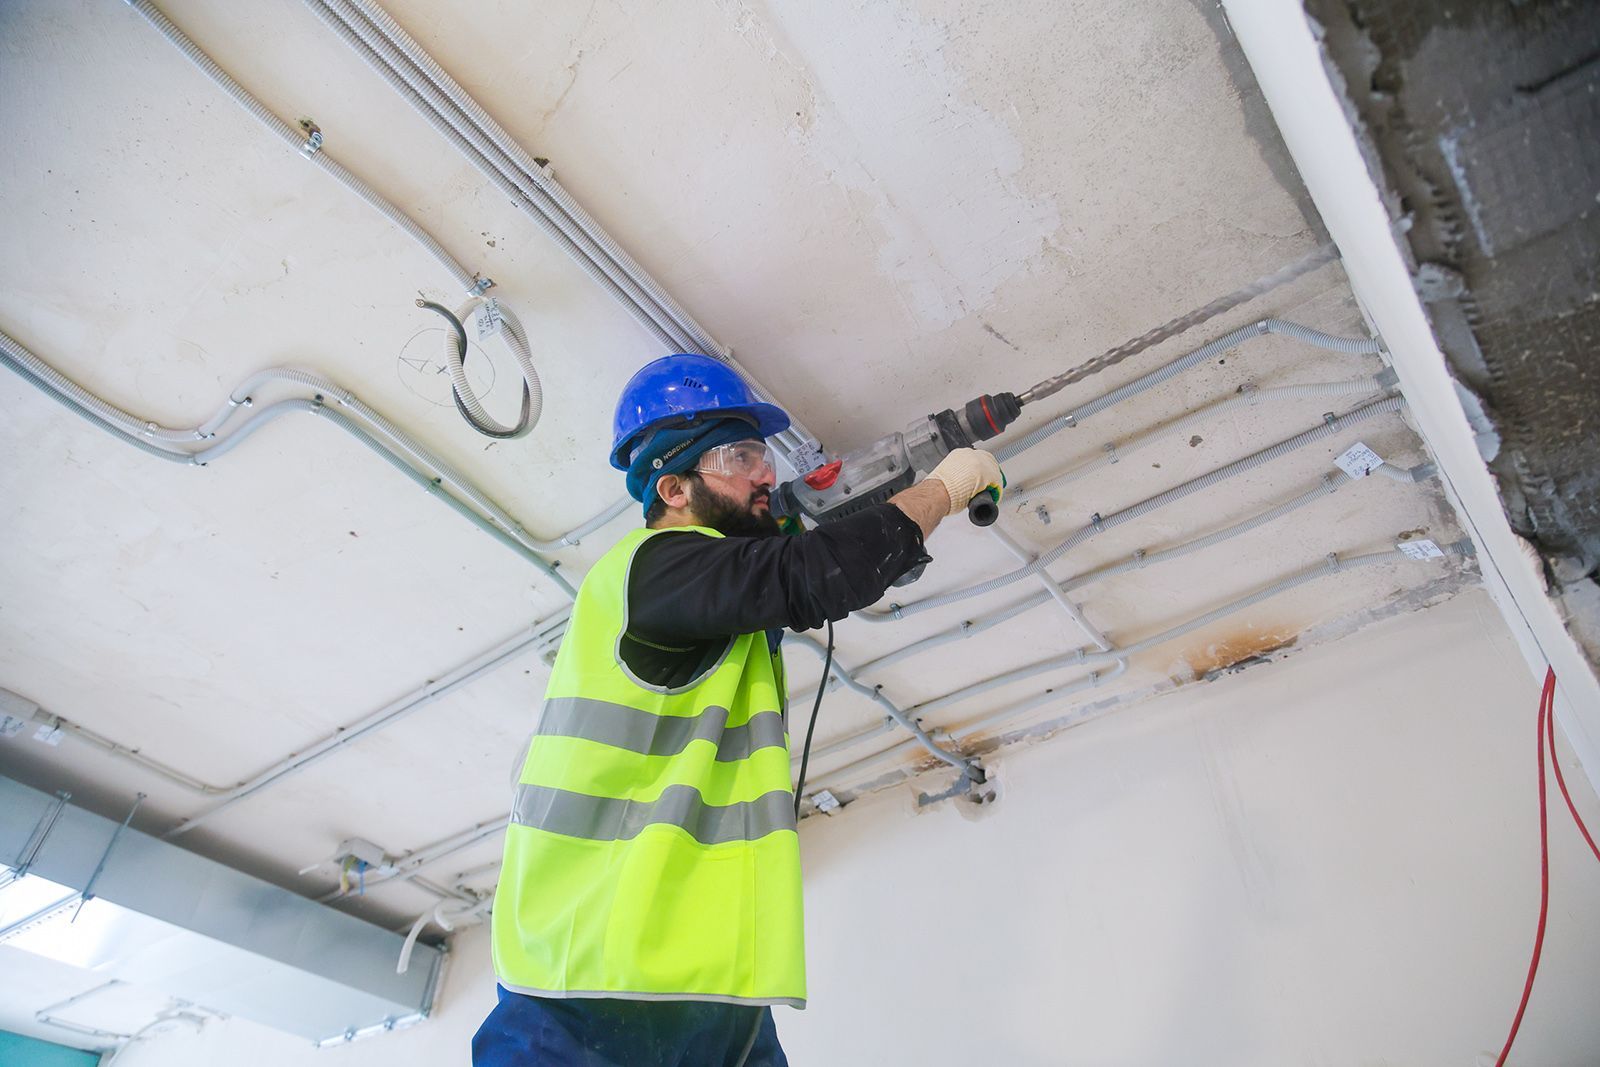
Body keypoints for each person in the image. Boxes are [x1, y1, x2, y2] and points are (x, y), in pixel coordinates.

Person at [472, 353, 1004, 1066]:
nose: (765, 476)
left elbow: (792, 576)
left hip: (716, 991)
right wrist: (945, 488)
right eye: (739, 457)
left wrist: (857, 520)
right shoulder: (649, 568)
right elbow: (815, 574)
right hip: (583, 986)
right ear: (672, 487)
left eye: (763, 456)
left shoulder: (727, 621)